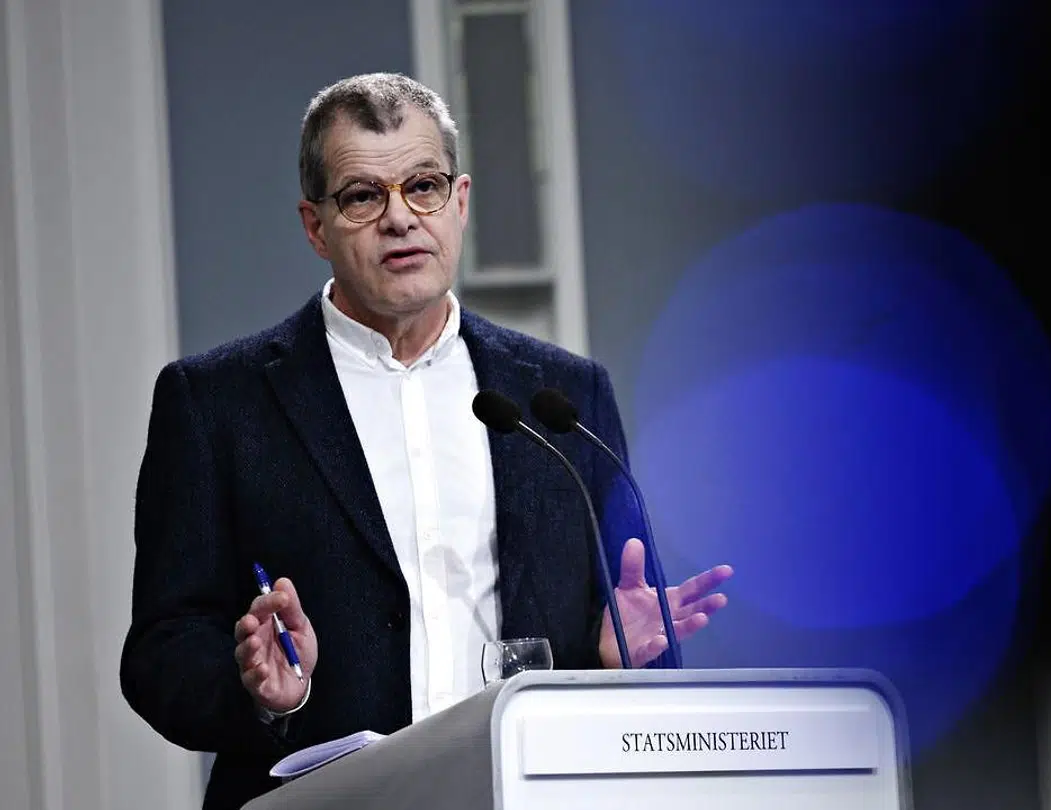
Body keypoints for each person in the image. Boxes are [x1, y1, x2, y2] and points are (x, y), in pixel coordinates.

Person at [119, 72, 732, 810]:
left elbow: (625, 625)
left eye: (423, 187)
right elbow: (161, 652)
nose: (400, 219)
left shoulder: (563, 397)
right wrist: (258, 690)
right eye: (362, 196)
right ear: (315, 226)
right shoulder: (217, 402)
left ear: (460, 202)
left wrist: (617, 664)